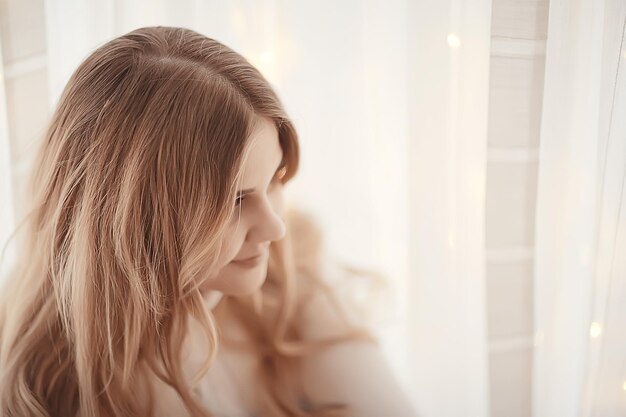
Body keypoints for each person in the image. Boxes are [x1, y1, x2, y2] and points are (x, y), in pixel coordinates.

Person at [0, 26, 418, 417]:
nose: (275, 228)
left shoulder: (290, 278)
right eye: (234, 201)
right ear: (134, 216)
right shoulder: (44, 381)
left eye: (274, 180)